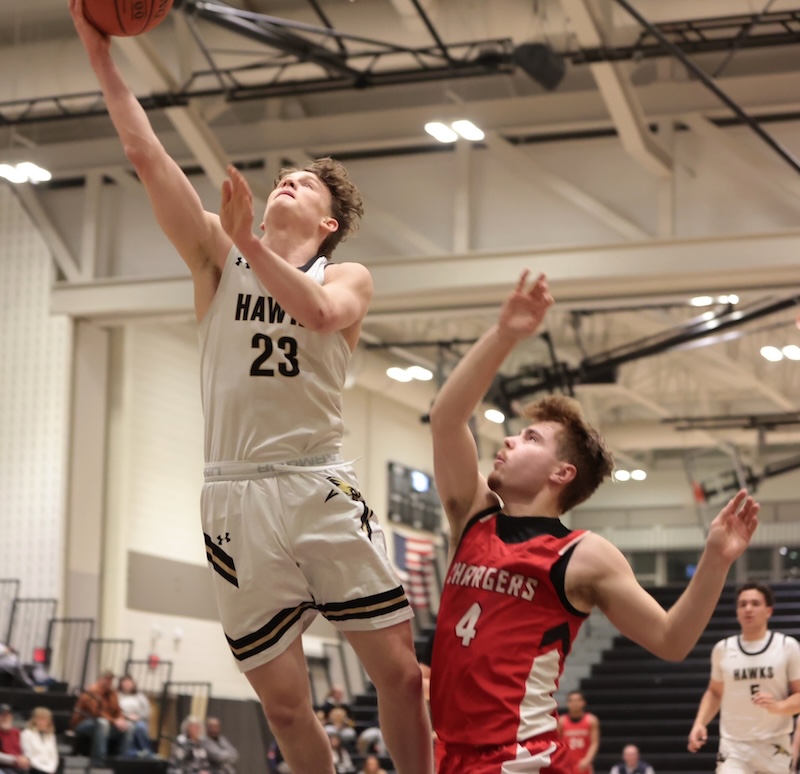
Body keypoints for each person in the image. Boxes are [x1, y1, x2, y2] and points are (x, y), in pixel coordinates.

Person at [68, 3, 433, 774]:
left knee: (401, 677)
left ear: (329, 225)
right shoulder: (216, 250)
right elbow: (145, 154)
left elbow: (319, 313)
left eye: (308, 186)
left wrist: (248, 245)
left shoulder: (345, 274)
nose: (290, 181)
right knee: (286, 706)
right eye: (286, 177)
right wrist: (100, 54)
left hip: (316, 483)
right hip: (234, 496)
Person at [426, 271, 761, 773]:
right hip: (453, 755)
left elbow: (671, 639)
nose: (511, 440)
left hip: (522, 759)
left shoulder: (583, 554)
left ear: (562, 473)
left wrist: (715, 559)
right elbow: (446, 418)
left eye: (531, 439)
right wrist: (504, 335)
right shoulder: (473, 515)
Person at [688, 581, 800, 773]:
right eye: (743, 604)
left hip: (774, 744)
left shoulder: (787, 646)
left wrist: (778, 706)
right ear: (737, 612)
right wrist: (700, 722)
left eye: (755, 603)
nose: (748, 609)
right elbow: (714, 693)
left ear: (769, 611)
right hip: (734, 746)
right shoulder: (723, 649)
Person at [70, 670, 133, 766]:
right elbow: (97, 713)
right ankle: (98, 761)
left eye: (111, 680)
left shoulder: (112, 693)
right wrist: (115, 721)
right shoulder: (90, 692)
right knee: (102, 723)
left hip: (106, 723)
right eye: (106, 679)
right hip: (83, 723)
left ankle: (122, 761)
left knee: (129, 726)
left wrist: (121, 720)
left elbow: (118, 710)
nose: (109, 682)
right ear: (100, 679)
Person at [558, 690, 599, 773]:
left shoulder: (591, 720)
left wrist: (587, 759)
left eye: (578, 700)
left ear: (583, 702)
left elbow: (594, 743)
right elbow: (558, 742)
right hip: (566, 764)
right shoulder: (561, 721)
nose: (575, 703)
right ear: (567, 703)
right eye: (572, 701)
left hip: (583, 764)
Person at [117, 675, 153, 757]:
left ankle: (145, 750)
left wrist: (138, 716)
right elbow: (115, 709)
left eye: (129, 682)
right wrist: (126, 716)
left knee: (141, 727)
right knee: (128, 727)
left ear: (133, 684)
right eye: (125, 682)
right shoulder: (117, 695)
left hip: (139, 719)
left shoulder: (140, 696)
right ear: (121, 684)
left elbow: (147, 711)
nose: (127, 684)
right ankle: (128, 753)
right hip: (123, 719)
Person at [20, 708, 58, 774]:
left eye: (45, 720)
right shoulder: (27, 733)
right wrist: (44, 769)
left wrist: (51, 768)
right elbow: (28, 755)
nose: (42, 722)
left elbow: (54, 757)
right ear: (34, 720)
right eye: (40, 719)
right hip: (35, 768)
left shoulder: (51, 736)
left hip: (50, 769)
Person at [0, 704, 30, 772]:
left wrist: (26, 758)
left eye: (8, 715)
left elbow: (27, 749)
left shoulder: (17, 732)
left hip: (19, 768)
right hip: (4, 767)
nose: (6, 718)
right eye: (3, 715)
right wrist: (14, 759)